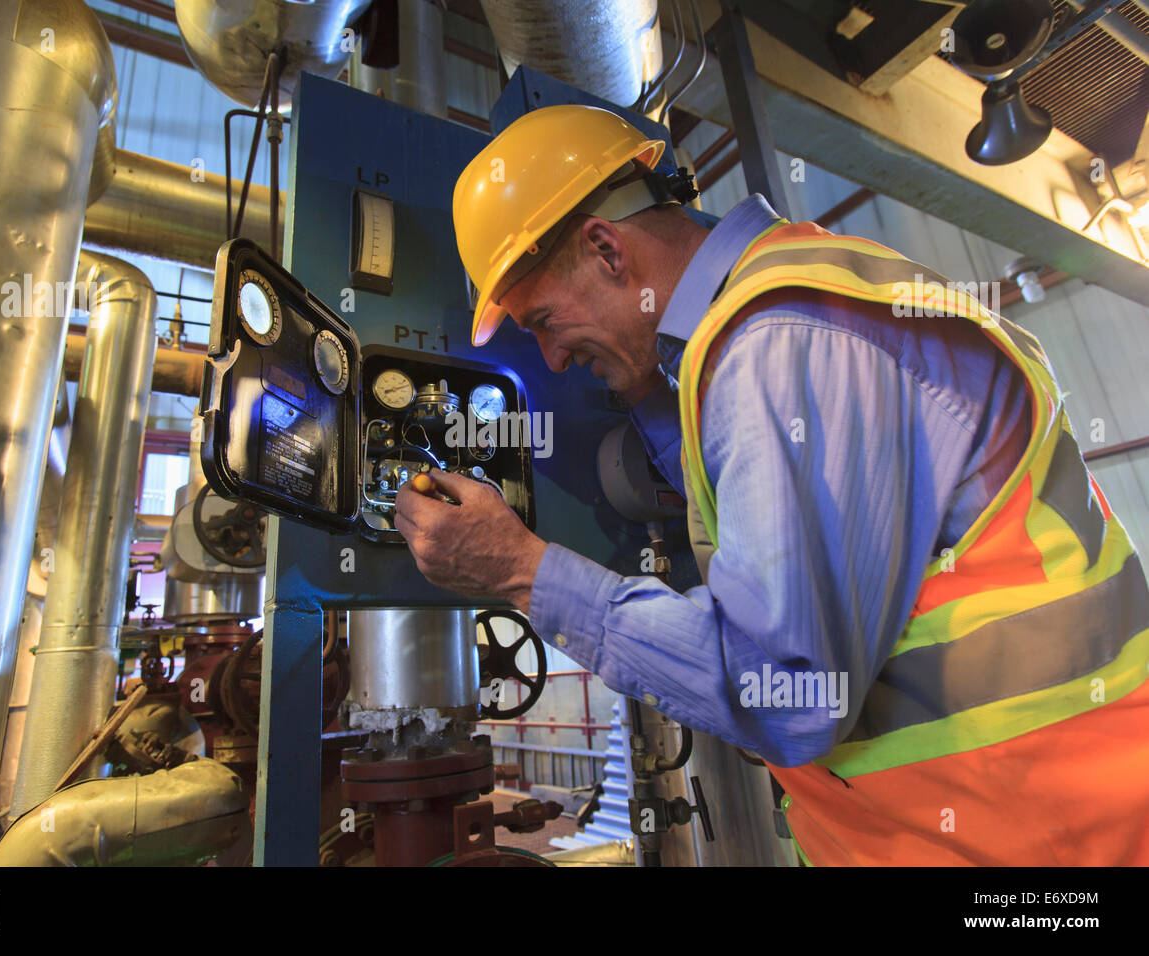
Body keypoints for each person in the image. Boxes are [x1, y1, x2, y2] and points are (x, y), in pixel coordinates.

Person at [393, 104, 1149, 865]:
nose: (551, 360)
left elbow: (791, 692)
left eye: (545, 322)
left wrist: (522, 571)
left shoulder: (778, 347)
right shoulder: (778, 312)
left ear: (606, 250)